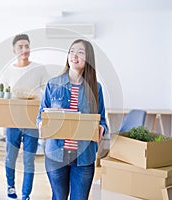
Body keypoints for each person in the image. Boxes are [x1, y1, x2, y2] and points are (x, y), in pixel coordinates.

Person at [36, 39, 108, 200]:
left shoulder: (96, 88)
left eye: (80, 52)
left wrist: (101, 128)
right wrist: (43, 123)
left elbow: (102, 119)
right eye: (72, 51)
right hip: (56, 155)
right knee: (59, 197)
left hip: (83, 157)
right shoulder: (53, 84)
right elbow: (41, 115)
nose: (74, 55)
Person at [0, 34, 49, 200]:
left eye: (27, 46)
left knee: (28, 161)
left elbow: (47, 95)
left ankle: (26, 195)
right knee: (10, 157)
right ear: (14, 50)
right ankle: (10, 186)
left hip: (32, 122)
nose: (24, 50)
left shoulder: (39, 69)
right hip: (13, 122)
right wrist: (2, 124)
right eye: (20, 47)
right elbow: (2, 98)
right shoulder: (7, 71)